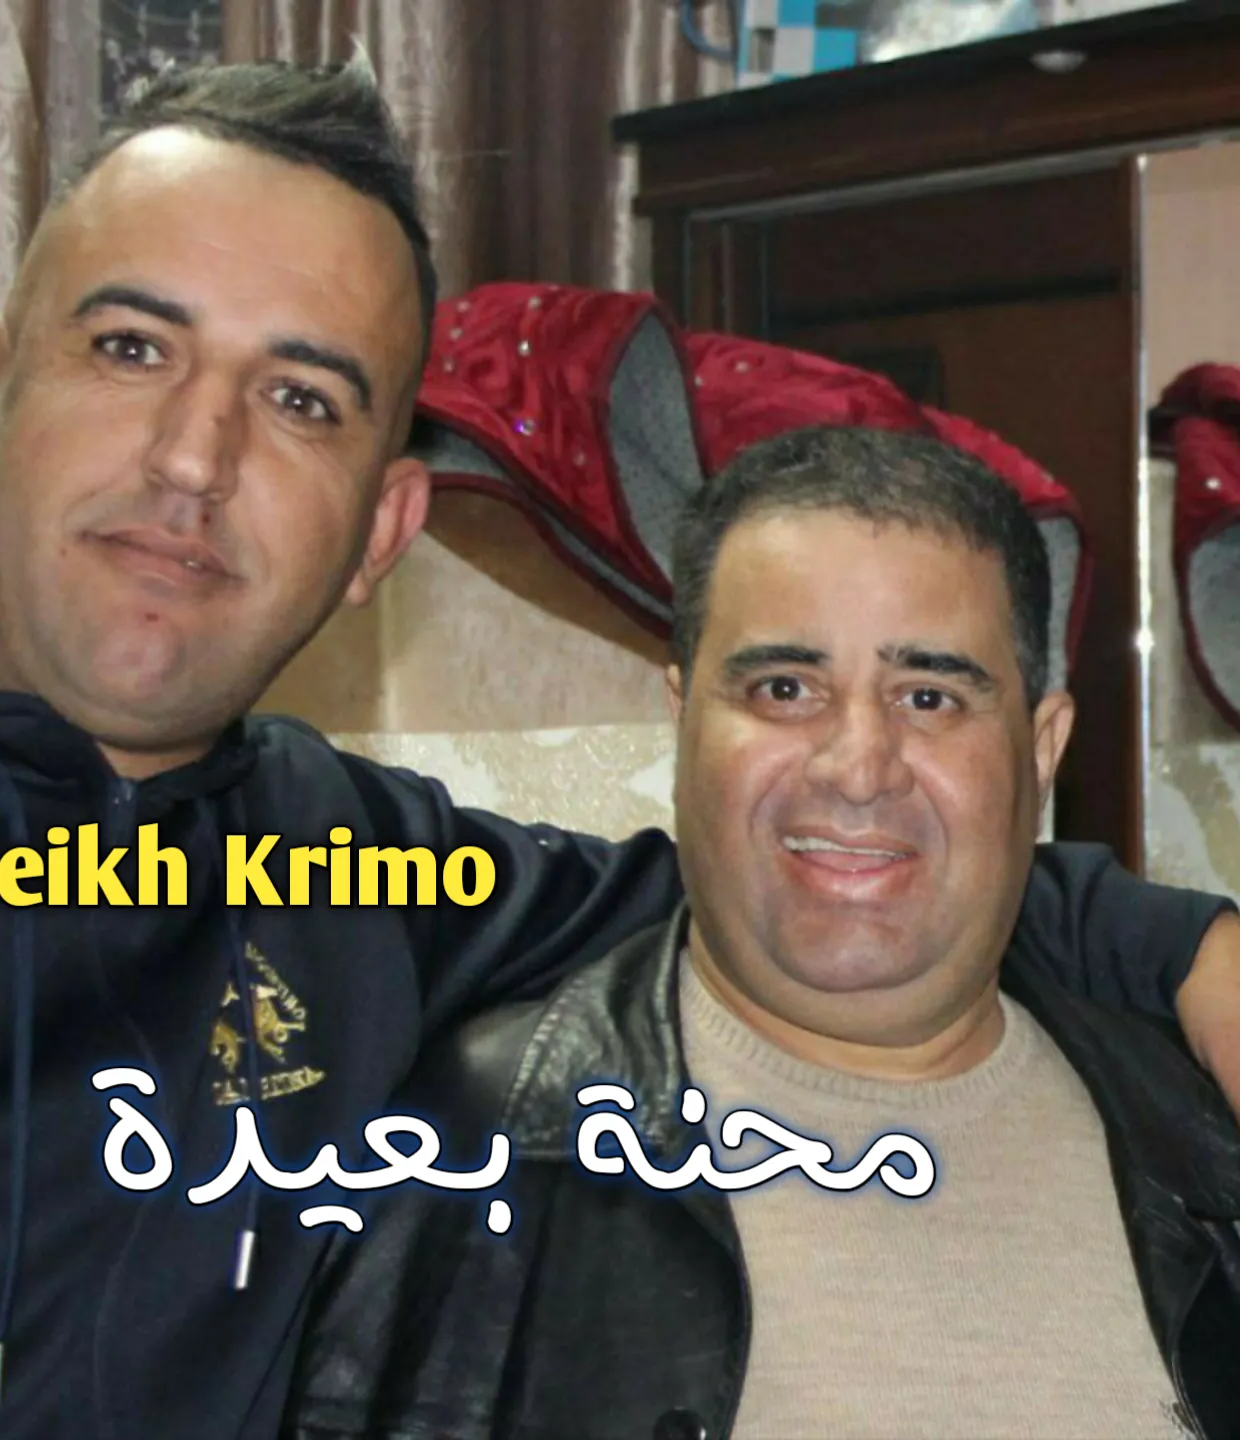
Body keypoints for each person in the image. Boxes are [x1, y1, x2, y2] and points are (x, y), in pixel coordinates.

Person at [0, 56, 1234, 1440]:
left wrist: (1193, 944)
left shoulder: (350, 874)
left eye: (302, 400)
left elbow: (822, 867)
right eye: (131, 348)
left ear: (382, 531)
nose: (194, 455)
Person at [283, 428, 1240, 1440]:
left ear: (1041, 749)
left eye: (930, 697)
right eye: (785, 689)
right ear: (684, 718)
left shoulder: (1205, 1140)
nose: (858, 767)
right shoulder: (456, 1160)